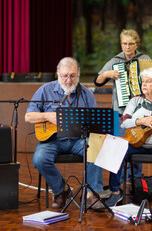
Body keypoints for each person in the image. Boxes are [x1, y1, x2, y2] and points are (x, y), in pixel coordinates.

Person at [101, 67, 152, 217]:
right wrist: (140, 121)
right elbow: (124, 122)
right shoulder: (136, 100)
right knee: (117, 149)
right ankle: (114, 192)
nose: (144, 84)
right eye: (143, 81)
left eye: (149, 82)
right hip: (138, 142)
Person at [25, 57, 102, 209]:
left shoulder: (87, 94)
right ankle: (61, 190)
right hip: (52, 140)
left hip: (78, 140)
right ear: (57, 74)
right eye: (64, 76)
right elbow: (28, 116)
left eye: (72, 76)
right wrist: (47, 116)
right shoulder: (45, 90)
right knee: (39, 159)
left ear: (78, 75)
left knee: (96, 150)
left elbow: (96, 124)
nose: (68, 80)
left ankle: (91, 194)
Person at [92, 29, 150, 203]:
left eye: (131, 43)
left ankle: (134, 184)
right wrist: (107, 74)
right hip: (120, 112)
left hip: (140, 112)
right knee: (116, 148)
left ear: (136, 44)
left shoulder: (144, 60)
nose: (127, 47)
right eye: (124, 43)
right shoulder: (115, 61)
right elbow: (97, 81)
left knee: (137, 143)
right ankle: (116, 190)